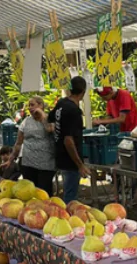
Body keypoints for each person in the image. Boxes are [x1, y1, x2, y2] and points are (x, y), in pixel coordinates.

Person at [47, 76, 91, 205]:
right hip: (70, 158)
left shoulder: (61, 103)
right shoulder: (74, 111)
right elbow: (69, 140)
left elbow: (50, 118)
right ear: (83, 92)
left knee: (68, 191)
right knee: (70, 196)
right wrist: (80, 164)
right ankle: (68, 220)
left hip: (60, 154)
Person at [8, 96, 56, 195]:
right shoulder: (26, 121)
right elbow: (18, 143)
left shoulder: (49, 118)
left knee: (44, 193)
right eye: (29, 105)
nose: (30, 107)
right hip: (28, 163)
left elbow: (50, 129)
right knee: (29, 193)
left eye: (32, 105)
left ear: (41, 105)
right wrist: (11, 159)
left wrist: (42, 114)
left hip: (46, 164)